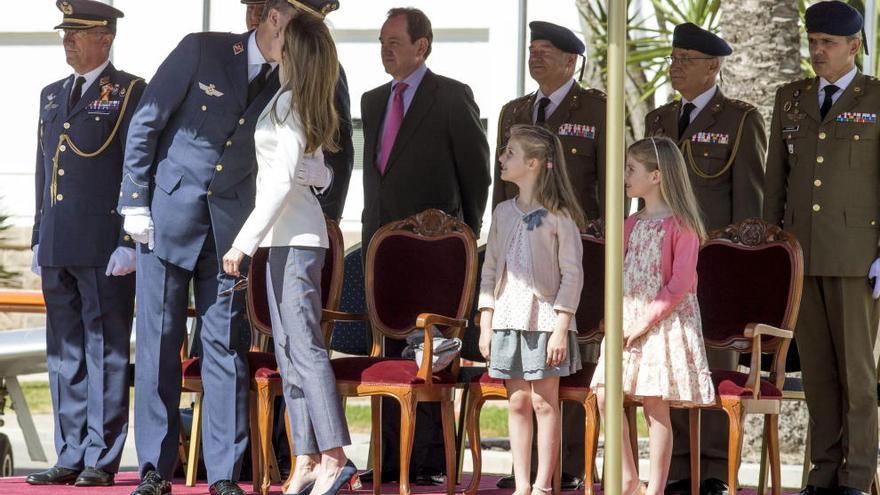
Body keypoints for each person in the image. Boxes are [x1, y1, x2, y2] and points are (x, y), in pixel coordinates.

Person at [118, 1, 320, 494]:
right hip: (168, 217)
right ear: (275, 18)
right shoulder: (203, 50)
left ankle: (225, 472)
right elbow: (147, 121)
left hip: (232, 230)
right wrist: (134, 203)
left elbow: (311, 151)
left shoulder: (293, 79)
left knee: (225, 350)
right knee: (158, 344)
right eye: (300, 25)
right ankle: (153, 469)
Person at [221, 9, 359, 495]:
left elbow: (279, 183)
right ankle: (306, 457)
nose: (272, 38)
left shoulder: (289, 104)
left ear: (292, 50)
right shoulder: (292, 100)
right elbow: (319, 173)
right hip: (288, 239)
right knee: (289, 353)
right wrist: (308, 175)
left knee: (304, 349)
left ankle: (336, 457)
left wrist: (242, 242)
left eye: (280, 34)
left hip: (294, 240)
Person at [359, 7, 490, 484]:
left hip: (439, 254)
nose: (385, 49)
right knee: (391, 355)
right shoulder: (373, 101)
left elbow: (477, 176)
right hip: (384, 252)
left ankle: (432, 459)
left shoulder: (452, 97)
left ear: (422, 46)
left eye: (394, 41)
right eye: (381, 41)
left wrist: (462, 241)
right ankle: (391, 458)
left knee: (432, 355)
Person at [643, 23, 766, 495]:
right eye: (673, 58)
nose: (675, 66)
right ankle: (672, 465)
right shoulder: (658, 121)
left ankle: (712, 467)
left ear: (714, 66)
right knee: (666, 362)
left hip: (713, 266)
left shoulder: (738, 119)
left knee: (712, 362)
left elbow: (749, 204)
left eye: (686, 59)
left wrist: (738, 270)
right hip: (660, 265)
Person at [26, 0, 144, 488]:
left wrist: (128, 240)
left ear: (106, 37)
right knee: (64, 354)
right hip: (58, 241)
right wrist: (38, 233)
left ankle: (101, 455)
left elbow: (138, 167)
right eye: (65, 33)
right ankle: (69, 453)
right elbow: (43, 170)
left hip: (103, 245)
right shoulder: (52, 95)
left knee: (106, 351)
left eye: (78, 32)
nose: (68, 41)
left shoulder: (131, 92)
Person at [763, 3, 879, 495]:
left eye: (827, 43)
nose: (817, 51)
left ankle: (856, 476)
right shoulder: (790, 98)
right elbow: (776, 184)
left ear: (854, 46)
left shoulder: (875, 98)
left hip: (857, 259)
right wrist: (774, 252)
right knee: (817, 374)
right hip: (803, 258)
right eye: (812, 42)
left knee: (857, 376)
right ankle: (823, 472)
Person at [493, 21, 609, 489]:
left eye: (546, 51)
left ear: (571, 60)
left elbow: (607, 184)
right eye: (532, 50)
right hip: (518, 264)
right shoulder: (516, 110)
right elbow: (500, 187)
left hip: (576, 253)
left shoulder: (597, 108)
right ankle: (528, 473)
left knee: (566, 373)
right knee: (523, 388)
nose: (535, 57)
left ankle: (573, 467)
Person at [592, 137, 715, 495]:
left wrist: (644, 322)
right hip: (628, 321)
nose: (625, 176)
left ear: (657, 175)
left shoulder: (683, 225)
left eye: (631, 169)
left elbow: (679, 284)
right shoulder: (630, 223)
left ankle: (656, 488)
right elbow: (618, 274)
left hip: (664, 323)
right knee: (604, 394)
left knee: (654, 402)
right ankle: (629, 478)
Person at [478, 124, 586, 495]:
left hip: (545, 321)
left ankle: (542, 485)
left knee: (543, 401)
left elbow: (573, 274)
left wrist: (561, 326)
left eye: (509, 153)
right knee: (518, 401)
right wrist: (486, 321)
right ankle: (521, 484)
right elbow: (490, 268)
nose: (502, 159)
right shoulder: (503, 212)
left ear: (535, 163)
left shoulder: (559, 215)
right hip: (508, 318)